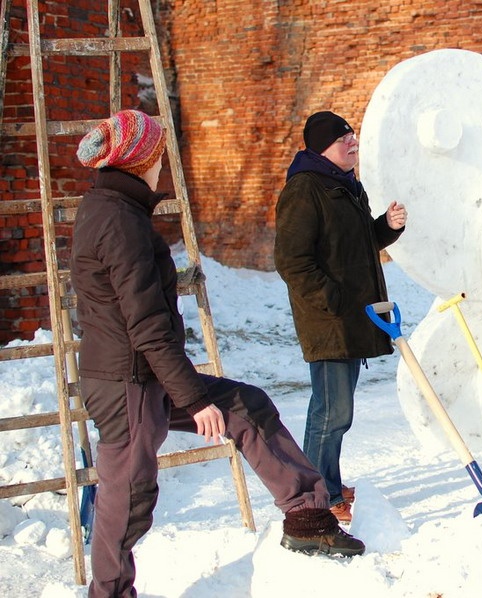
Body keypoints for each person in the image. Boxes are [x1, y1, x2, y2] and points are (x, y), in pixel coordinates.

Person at [70, 110, 364, 597]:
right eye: (158, 155)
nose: (162, 164)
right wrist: (192, 398)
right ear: (141, 160)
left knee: (247, 406)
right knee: (127, 497)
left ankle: (307, 518)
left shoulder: (115, 211)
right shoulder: (119, 223)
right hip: (128, 382)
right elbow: (146, 325)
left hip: (143, 374)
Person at [274, 111, 406, 522]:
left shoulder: (345, 186)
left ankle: (327, 482)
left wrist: (385, 227)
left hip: (350, 317)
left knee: (337, 412)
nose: (353, 142)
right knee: (331, 412)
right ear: (322, 148)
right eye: (343, 138)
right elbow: (291, 261)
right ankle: (315, 499)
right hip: (328, 320)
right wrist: (333, 299)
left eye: (353, 135)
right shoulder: (304, 190)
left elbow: (360, 242)